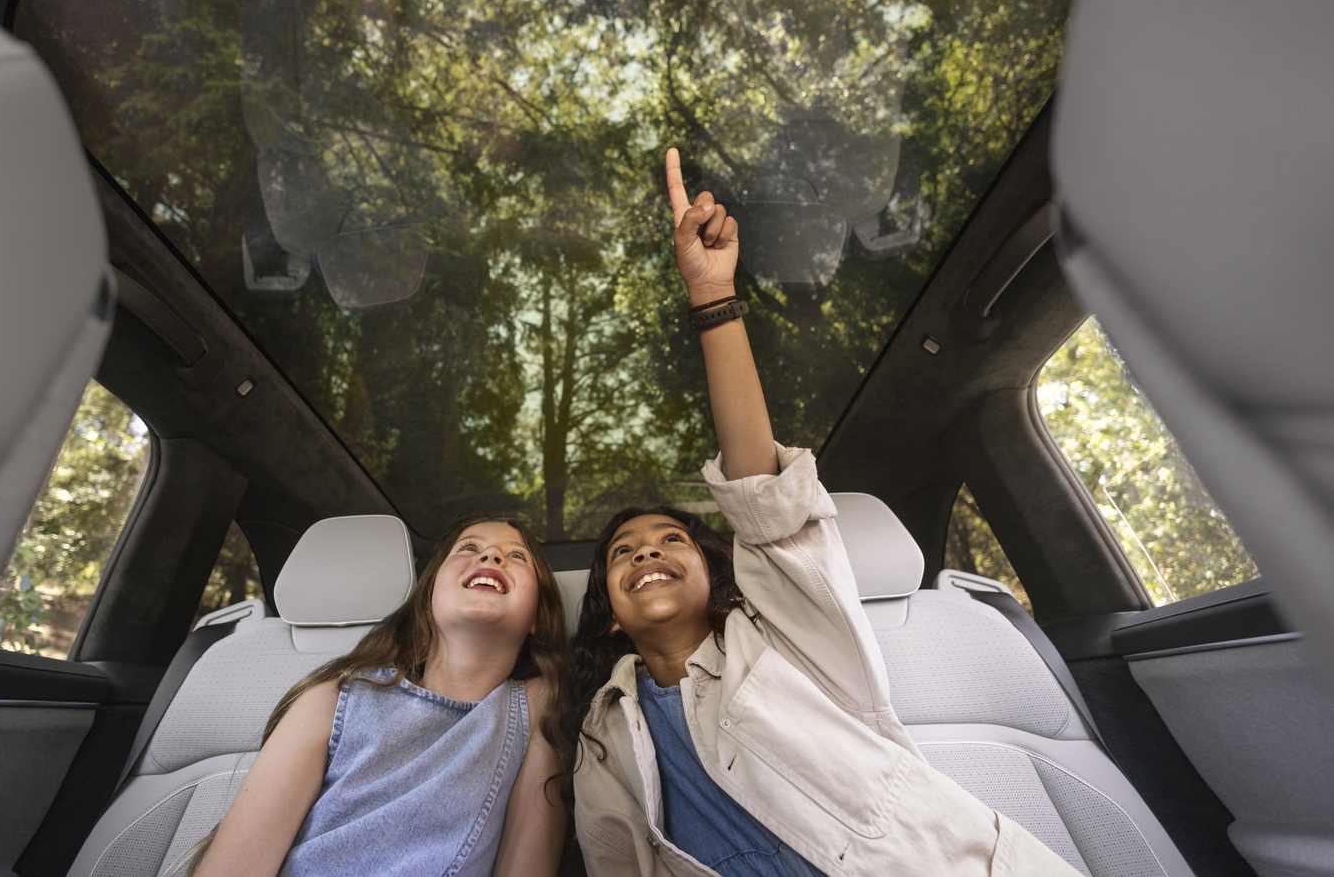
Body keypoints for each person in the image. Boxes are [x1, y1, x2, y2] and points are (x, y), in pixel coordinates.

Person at [562, 148, 1080, 876]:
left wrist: (712, 297)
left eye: (670, 539)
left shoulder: (788, 640)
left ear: (715, 577)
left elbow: (765, 501)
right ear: (611, 616)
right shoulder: (603, 734)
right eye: (623, 552)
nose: (646, 551)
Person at [182, 515, 570, 877]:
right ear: (430, 595)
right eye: (469, 548)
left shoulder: (540, 706)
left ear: (537, 616)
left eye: (516, 556)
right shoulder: (333, 698)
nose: (491, 555)